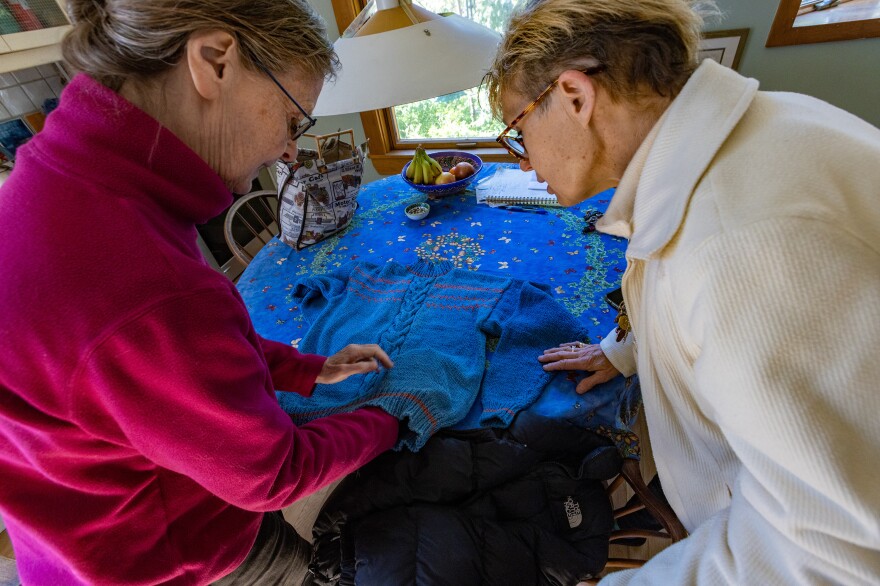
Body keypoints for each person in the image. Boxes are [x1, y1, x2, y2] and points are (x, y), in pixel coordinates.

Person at [0, 1, 409, 584]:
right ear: (215, 61)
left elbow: (167, 368)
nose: (290, 151)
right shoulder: (146, 287)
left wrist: (305, 370)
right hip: (165, 562)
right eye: (294, 120)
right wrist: (392, 417)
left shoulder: (59, 182)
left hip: (64, 535)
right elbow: (272, 477)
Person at [485, 0, 880, 583]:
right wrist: (631, 350)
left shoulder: (740, 244)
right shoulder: (763, 131)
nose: (519, 158)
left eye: (518, 131)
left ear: (574, 96)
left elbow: (825, 549)